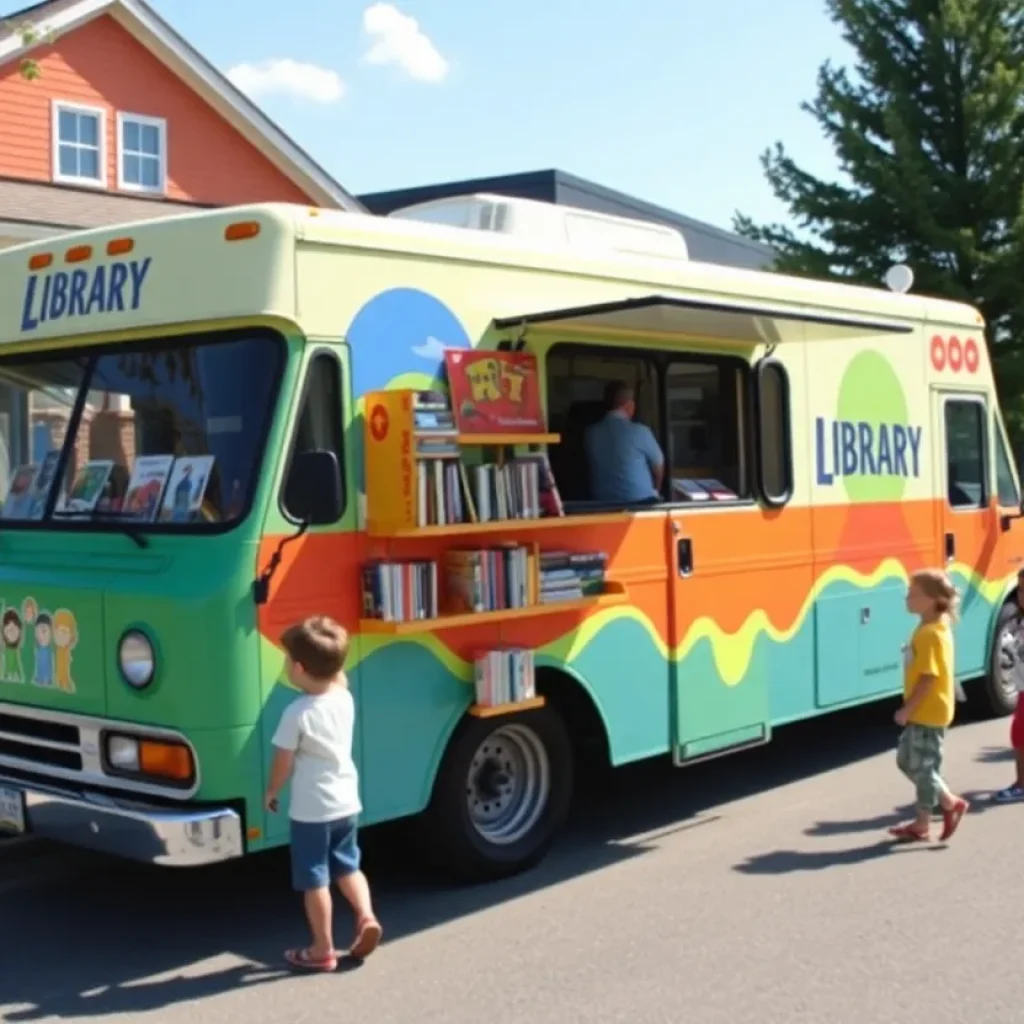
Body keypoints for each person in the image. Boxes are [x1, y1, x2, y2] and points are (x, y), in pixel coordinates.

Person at [265, 615, 382, 970]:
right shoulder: (343, 697)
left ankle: (322, 948)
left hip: (311, 810)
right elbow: (336, 673)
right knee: (349, 866)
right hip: (346, 802)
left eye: (287, 659)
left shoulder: (296, 713)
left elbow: (283, 761)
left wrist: (271, 790)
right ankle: (366, 916)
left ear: (298, 668)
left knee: (314, 877)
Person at [889, 569, 969, 842]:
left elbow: (928, 678)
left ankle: (938, 811)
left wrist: (907, 710)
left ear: (932, 600)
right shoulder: (932, 627)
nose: (907, 599)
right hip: (928, 711)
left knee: (921, 767)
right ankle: (937, 810)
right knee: (913, 763)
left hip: (928, 712)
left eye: (912, 595)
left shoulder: (930, 634)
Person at [584, 380, 665, 504]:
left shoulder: (590, 433)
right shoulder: (640, 431)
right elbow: (659, 466)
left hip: (602, 505)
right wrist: (656, 490)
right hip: (640, 503)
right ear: (629, 405)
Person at [993, 568, 1024, 803]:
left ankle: (1021, 785)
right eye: (1021, 590)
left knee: (1019, 734)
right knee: (1019, 734)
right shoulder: (1018, 622)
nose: (1022, 595)